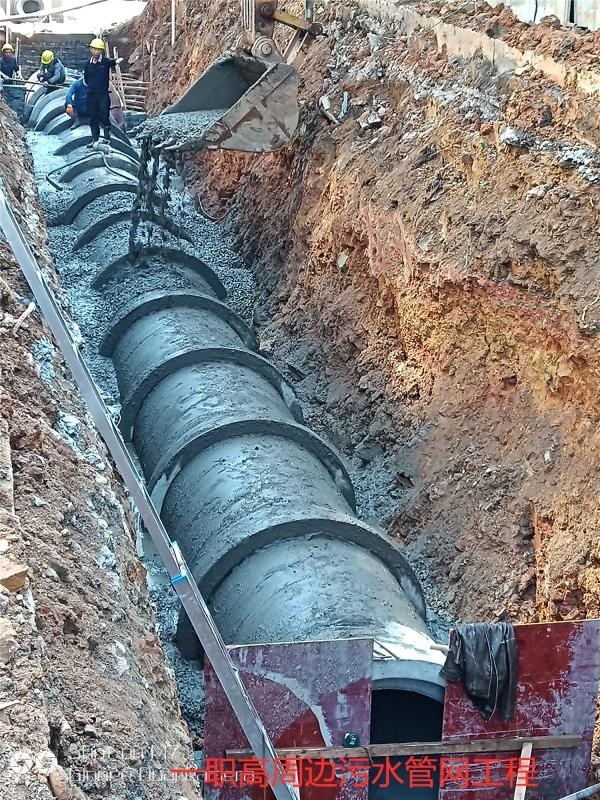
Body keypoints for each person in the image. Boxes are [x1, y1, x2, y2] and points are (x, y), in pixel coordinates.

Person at [83, 38, 123, 148]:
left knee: (104, 116)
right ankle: (94, 140)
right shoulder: (87, 64)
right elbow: (86, 79)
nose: (96, 52)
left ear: (101, 51)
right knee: (92, 118)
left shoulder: (105, 62)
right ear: (91, 50)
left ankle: (106, 138)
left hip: (103, 95)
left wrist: (117, 60)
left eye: (99, 50)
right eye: (94, 49)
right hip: (91, 95)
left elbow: (113, 61)